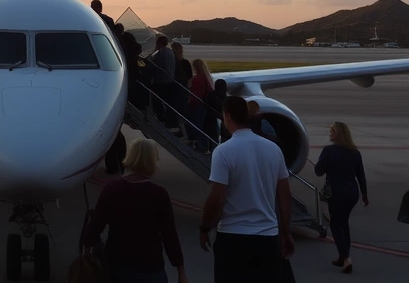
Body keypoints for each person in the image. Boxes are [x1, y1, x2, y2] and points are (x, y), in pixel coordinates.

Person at [200, 96, 294, 283]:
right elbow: (284, 196)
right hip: (267, 237)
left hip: (233, 238)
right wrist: (286, 232)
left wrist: (204, 227)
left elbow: (217, 198)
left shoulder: (224, 151)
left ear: (227, 117)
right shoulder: (273, 149)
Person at [83, 137, 188, 283]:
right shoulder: (159, 194)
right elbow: (170, 236)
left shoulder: (112, 189)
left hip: (118, 265)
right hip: (150, 267)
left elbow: (96, 226)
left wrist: (87, 252)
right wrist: (181, 271)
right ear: (153, 161)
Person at [314, 122, 369, 273]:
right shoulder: (355, 152)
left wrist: (321, 164)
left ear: (340, 134)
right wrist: (364, 194)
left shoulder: (329, 151)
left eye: (333, 130)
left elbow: (318, 171)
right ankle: (342, 257)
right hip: (352, 191)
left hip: (336, 191)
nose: (330, 132)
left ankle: (346, 259)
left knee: (335, 225)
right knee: (343, 223)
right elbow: (361, 175)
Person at [187, 58, 215, 152]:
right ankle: (207, 145)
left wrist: (190, 101)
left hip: (197, 104)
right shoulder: (208, 77)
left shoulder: (197, 79)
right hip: (206, 104)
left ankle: (201, 145)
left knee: (197, 125)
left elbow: (197, 94)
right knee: (205, 125)